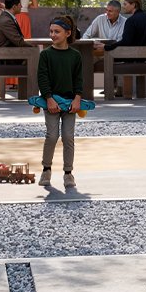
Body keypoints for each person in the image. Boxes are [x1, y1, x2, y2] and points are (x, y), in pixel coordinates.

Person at [37, 16, 84, 188]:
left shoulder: (75, 56)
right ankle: (46, 170)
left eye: (57, 31)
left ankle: (68, 173)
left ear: (68, 33)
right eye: (51, 31)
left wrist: (77, 98)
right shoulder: (46, 55)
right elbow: (42, 78)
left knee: (68, 137)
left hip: (71, 104)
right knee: (52, 136)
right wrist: (48, 98)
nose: (53, 35)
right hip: (51, 103)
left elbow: (79, 79)